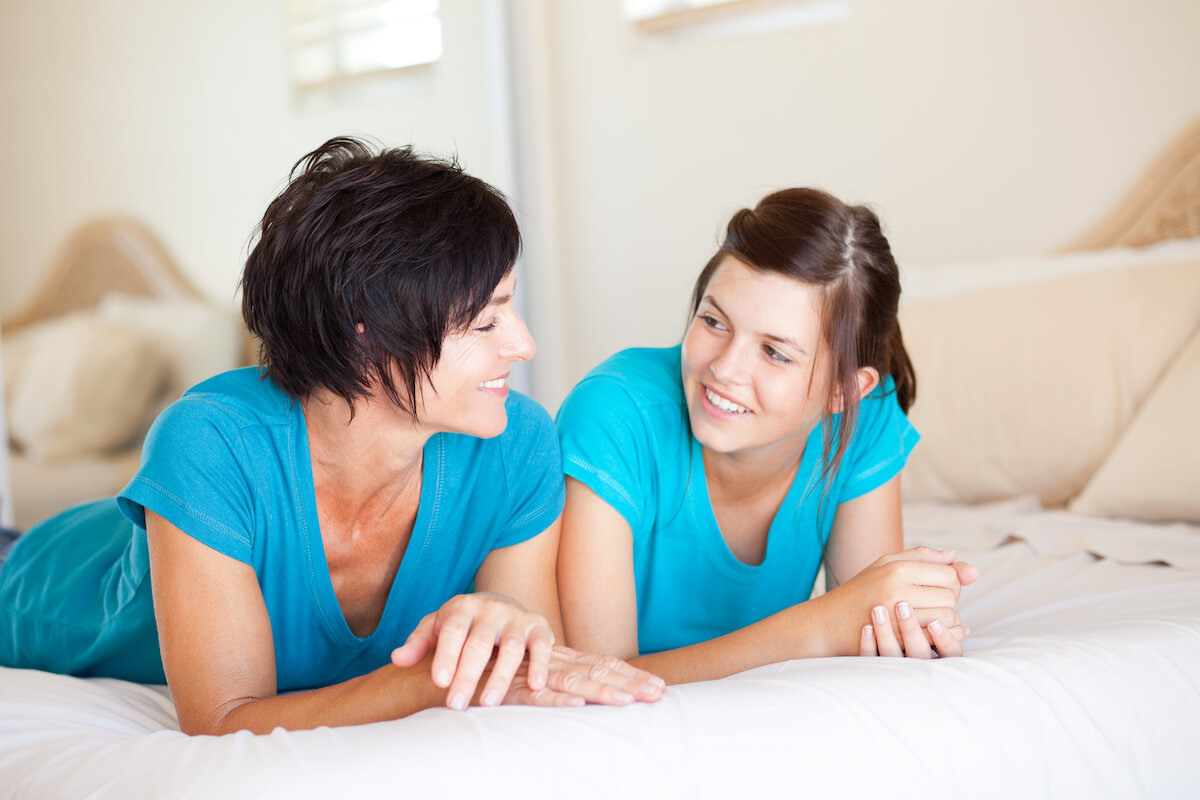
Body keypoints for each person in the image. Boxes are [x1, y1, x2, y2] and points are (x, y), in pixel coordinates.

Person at [0, 136, 662, 733]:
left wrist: (502, 638)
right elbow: (226, 719)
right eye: (485, 323)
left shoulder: (518, 444)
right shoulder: (210, 442)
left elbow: (517, 659)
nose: (523, 344)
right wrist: (421, 683)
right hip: (28, 583)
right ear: (363, 334)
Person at [555, 188, 978, 683]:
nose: (724, 368)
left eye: (775, 353)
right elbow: (597, 678)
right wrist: (818, 626)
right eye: (714, 321)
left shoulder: (862, 420)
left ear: (846, 391)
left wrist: (908, 623)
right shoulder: (614, 414)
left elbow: (865, 626)